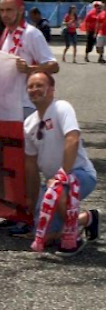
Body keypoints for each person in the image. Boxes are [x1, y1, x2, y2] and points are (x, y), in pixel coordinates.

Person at [23, 72, 99, 257]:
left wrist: (62, 175)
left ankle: (73, 238)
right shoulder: (28, 124)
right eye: (30, 86)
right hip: (52, 185)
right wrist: (32, 201)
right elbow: (31, 166)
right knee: (46, 237)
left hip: (80, 174)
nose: (34, 90)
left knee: (59, 189)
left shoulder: (61, 108)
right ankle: (88, 218)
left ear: (51, 89)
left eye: (39, 85)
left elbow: (72, 139)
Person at [0, 0, 59, 120]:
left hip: (27, 104)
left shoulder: (32, 34)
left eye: (9, 10)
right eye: (2, 10)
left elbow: (54, 66)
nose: (4, 15)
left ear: (21, 10)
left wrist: (29, 69)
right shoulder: (6, 34)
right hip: (7, 103)